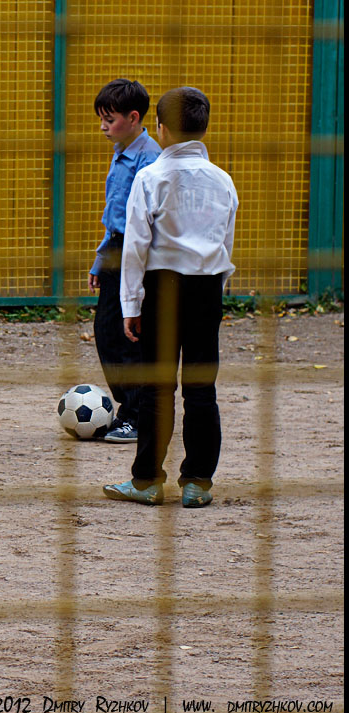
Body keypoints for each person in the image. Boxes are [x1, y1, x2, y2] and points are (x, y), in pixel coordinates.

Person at [104, 87, 238, 507]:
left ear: (159, 128)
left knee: (157, 388)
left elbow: (136, 247)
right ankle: (198, 482)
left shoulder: (151, 178)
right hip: (206, 287)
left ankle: (146, 481)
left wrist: (130, 304)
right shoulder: (223, 180)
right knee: (201, 389)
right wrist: (216, 292)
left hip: (161, 289)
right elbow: (226, 244)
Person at [87, 79, 162, 443]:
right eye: (101, 118)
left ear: (134, 118)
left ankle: (136, 414)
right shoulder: (121, 151)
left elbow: (146, 221)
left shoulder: (150, 159)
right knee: (106, 331)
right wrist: (101, 260)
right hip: (117, 249)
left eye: (110, 119)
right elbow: (115, 215)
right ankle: (130, 407)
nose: (103, 125)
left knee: (128, 334)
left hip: (138, 253)